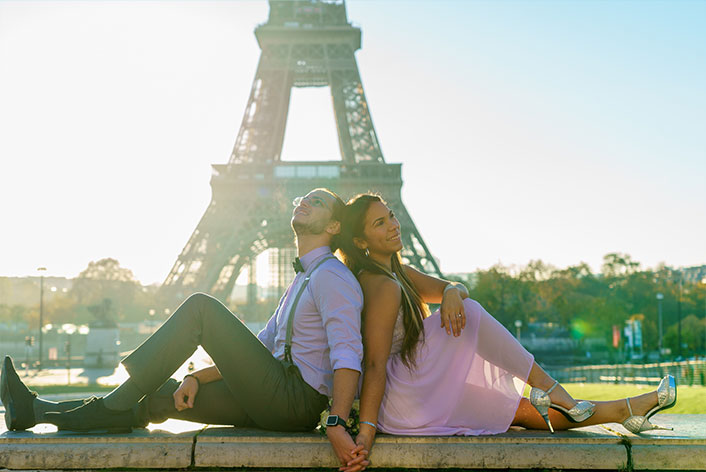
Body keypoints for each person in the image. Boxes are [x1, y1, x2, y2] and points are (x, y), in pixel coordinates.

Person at [0, 188, 369, 469]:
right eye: (304, 198)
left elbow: (347, 353)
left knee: (200, 309)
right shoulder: (302, 281)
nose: (304, 201)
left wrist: (335, 422)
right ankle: (34, 410)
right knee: (159, 396)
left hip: (295, 400)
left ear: (334, 227)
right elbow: (257, 350)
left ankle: (114, 403)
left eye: (317, 202)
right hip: (272, 395)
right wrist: (198, 379)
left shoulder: (332, 277)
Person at [336, 193, 677, 470]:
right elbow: (376, 364)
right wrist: (366, 434)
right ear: (360, 239)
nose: (393, 225)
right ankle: (550, 386)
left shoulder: (400, 273)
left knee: (515, 411)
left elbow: (456, 287)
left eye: (391, 215)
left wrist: (452, 290)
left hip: (418, 388)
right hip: (401, 397)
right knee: (469, 312)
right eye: (380, 223)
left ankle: (625, 410)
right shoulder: (378, 284)